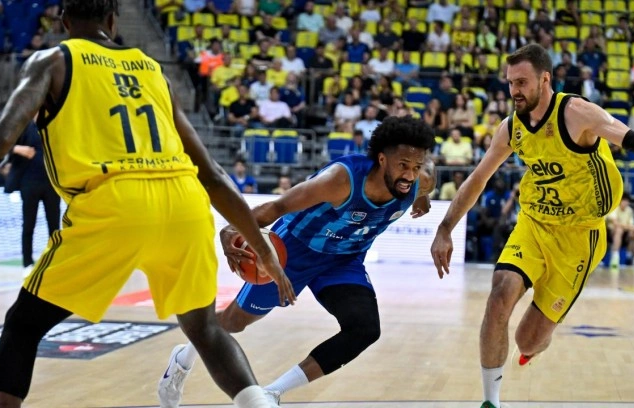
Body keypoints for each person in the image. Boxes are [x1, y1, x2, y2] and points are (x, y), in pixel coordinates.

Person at [0, 1, 296, 407]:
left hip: (114, 200)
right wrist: (262, 249)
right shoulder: (152, 70)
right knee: (205, 329)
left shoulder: (54, 61)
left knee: (23, 326)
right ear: (113, 21)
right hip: (184, 202)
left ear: (64, 21)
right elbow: (213, 174)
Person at [158, 116, 436, 406]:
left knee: (364, 329)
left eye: (416, 168)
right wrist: (232, 228)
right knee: (234, 322)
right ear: (381, 159)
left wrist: (422, 197)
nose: (410, 175)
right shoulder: (340, 180)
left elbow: (427, 179)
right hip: (294, 250)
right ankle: (182, 359)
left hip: (344, 260)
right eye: (403, 165)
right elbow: (277, 207)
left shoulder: (418, 181)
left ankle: (272, 392)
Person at [429, 43, 634, 408]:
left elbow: (632, 139)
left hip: (580, 234)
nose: (514, 91)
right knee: (499, 295)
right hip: (534, 222)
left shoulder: (577, 112)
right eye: (510, 82)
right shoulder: (511, 128)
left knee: (527, 340)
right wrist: (444, 228)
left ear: (545, 79)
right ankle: (490, 401)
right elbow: (478, 178)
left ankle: (538, 339)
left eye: (522, 82)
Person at [4, 120, 61, 269]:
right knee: (29, 224)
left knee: (54, 225)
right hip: (29, 183)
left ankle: (55, 260)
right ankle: (27, 262)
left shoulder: (55, 124)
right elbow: (2, 143)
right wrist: (17, 148)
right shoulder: (23, 126)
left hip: (51, 183)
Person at [607, 192, 634, 268]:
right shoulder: (614, 208)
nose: (626, 203)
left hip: (624, 235)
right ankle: (615, 257)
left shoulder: (629, 211)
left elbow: (631, 225)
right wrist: (633, 227)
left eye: (627, 201)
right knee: (619, 230)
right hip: (610, 234)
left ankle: (630, 257)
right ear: (620, 201)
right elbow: (616, 223)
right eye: (624, 201)